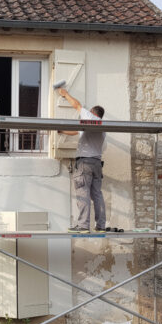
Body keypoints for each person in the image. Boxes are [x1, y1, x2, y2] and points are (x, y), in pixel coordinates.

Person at [56, 87, 107, 233]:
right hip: (97, 164)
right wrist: (63, 131)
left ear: (92, 112)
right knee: (97, 194)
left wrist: (65, 94)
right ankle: (101, 225)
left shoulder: (90, 118)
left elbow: (77, 105)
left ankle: (83, 226)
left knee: (83, 193)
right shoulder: (102, 128)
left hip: (85, 163)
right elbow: (78, 132)